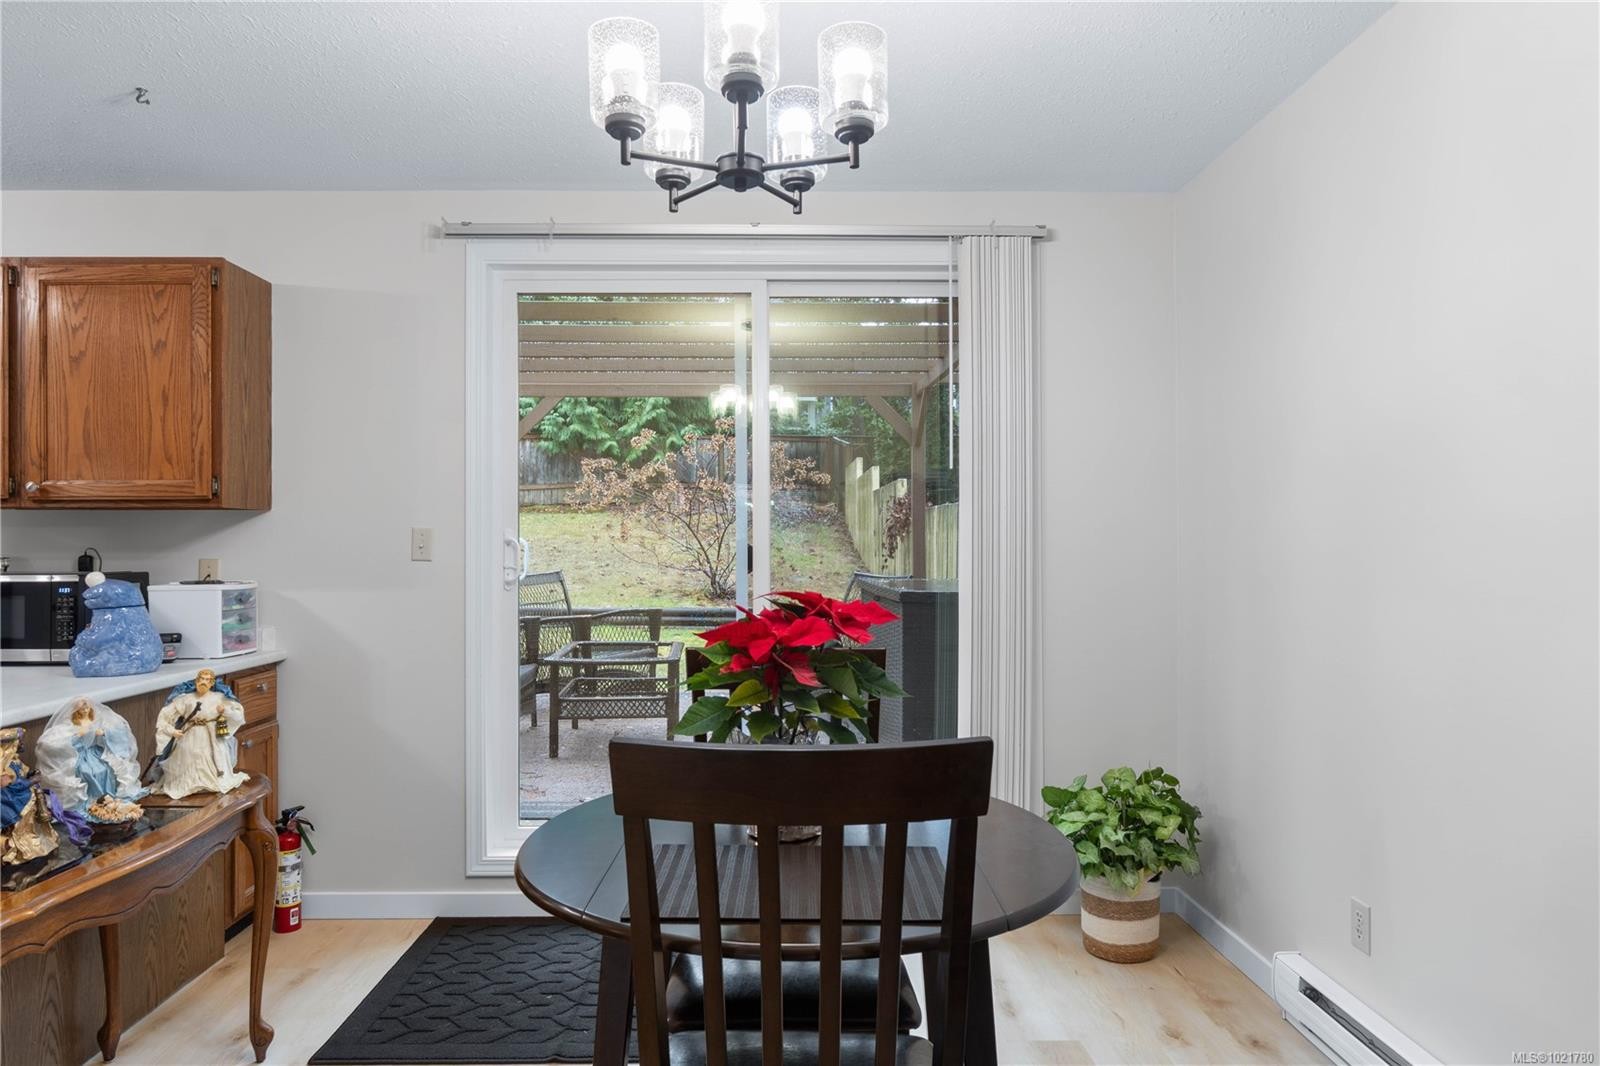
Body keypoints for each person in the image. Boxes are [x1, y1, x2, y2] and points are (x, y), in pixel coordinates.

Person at [150, 669, 248, 799]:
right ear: (196, 681)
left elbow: (239, 715)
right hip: (189, 735)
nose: (203, 682)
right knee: (189, 754)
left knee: (211, 755)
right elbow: (164, 717)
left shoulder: (219, 698)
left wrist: (225, 711)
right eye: (201, 679)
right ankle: (188, 782)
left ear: (212, 683)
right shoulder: (186, 699)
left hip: (212, 736)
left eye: (207, 680)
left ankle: (210, 780)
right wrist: (172, 731)